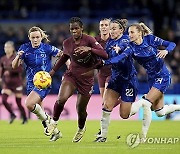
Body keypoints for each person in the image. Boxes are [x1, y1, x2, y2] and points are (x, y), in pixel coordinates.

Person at [104, 22, 180, 133]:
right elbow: (120, 57)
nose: (129, 35)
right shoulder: (131, 47)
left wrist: (166, 50)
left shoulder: (150, 39)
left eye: (132, 32)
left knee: (145, 103)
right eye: (128, 32)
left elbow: (171, 44)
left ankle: (143, 136)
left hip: (163, 75)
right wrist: (105, 62)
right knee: (159, 112)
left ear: (139, 33)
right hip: (152, 78)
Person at [49, 17, 108, 142]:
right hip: (71, 75)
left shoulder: (89, 40)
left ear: (81, 28)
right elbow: (64, 57)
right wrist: (53, 71)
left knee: (80, 110)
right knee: (61, 99)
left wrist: (90, 49)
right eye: (72, 29)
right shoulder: (67, 43)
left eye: (76, 28)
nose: (74, 31)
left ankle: (81, 129)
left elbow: (105, 55)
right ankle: (53, 122)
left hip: (86, 79)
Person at [94, 19, 152, 142]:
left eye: (114, 28)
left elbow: (120, 53)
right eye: (111, 28)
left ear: (121, 30)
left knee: (124, 115)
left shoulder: (126, 40)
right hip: (115, 79)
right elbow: (105, 56)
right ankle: (102, 136)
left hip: (128, 81)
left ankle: (142, 102)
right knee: (106, 105)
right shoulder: (109, 43)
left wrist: (110, 57)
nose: (112, 30)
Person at [12, 26, 62, 136]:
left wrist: (62, 68)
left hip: (43, 81)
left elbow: (62, 55)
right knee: (40, 112)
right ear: (29, 38)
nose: (35, 40)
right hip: (31, 83)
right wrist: (17, 57)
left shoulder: (47, 48)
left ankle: (49, 120)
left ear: (41, 37)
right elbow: (14, 66)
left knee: (29, 104)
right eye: (33, 37)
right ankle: (55, 132)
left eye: (37, 37)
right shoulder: (24, 48)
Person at [0, 41, 27, 124]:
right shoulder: (3, 59)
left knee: (18, 103)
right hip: (7, 83)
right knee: (4, 100)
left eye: (8, 47)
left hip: (17, 83)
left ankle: (25, 118)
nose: (6, 49)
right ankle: (12, 114)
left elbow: (20, 69)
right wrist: (0, 77)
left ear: (12, 48)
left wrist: (10, 71)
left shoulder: (16, 57)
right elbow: (2, 69)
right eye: (5, 47)